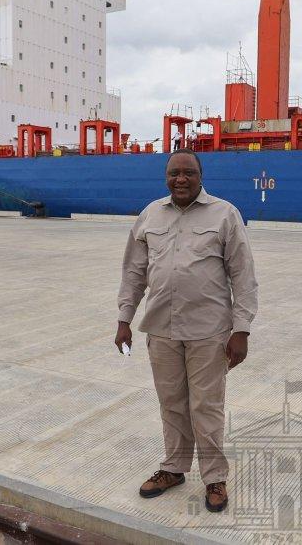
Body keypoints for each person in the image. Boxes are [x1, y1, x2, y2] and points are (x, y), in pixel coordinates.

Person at [115, 148, 257, 513]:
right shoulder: (150, 214)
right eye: (174, 173)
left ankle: (214, 478)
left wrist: (240, 329)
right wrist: (124, 319)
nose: (181, 179)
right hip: (161, 328)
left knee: (206, 405)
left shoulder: (225, 214)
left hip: (209, 331)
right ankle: (174, 468)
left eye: (188, 173)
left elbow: (242, 275)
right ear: (166, 176)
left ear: (200, 176)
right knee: (172, 403)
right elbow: (134, 271)